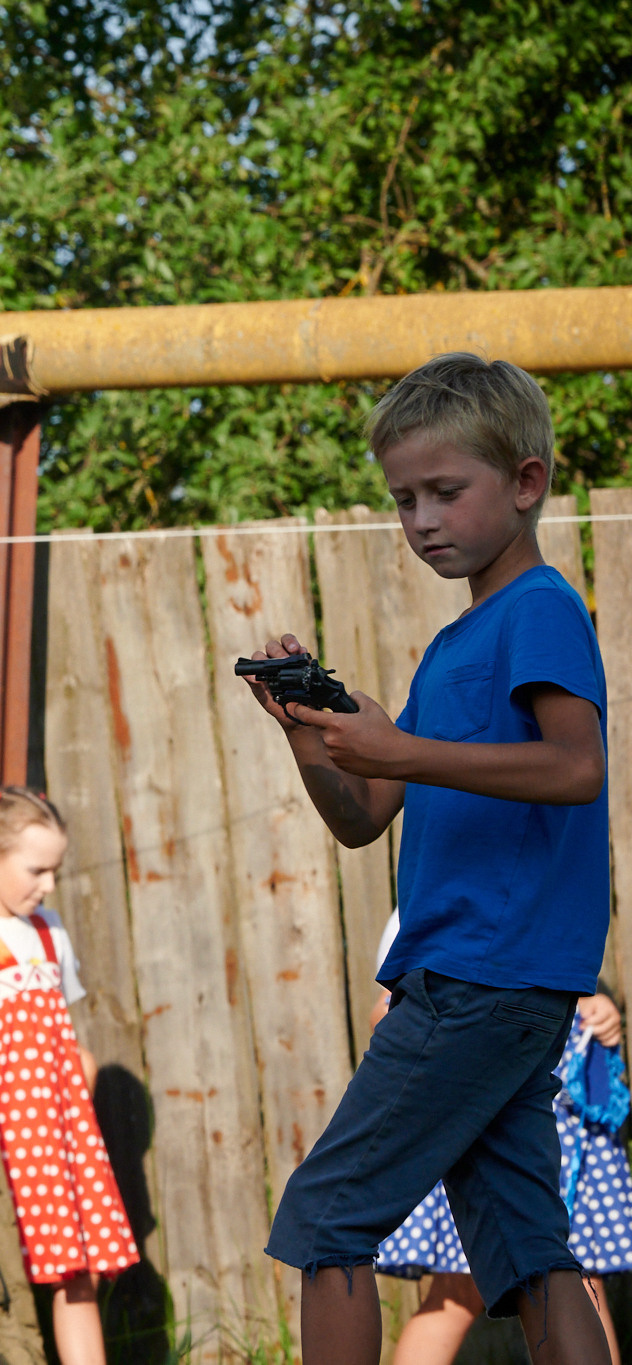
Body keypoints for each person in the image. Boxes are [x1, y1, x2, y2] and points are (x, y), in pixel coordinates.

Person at [250, 353, 613, 1365]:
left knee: (327, 1218)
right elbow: (364, 816)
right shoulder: (452, 647)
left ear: (525, 483)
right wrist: (306, 736)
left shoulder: (538, 608)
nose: (419, 520)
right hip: (487, 978)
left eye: (444, 492)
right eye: (402, 499)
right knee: (529, 1248)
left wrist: (401, 748)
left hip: (476, 976)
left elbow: (573, 766)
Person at [369, 916, 632, 1365]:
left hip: (561, 1163)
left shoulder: (541, 914)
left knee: (581, 1286)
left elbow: (574, 991)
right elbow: (389, 1008)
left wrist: (600, 1008)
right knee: (455, 1295)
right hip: (473, 1157)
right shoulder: (436, 908)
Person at [0, 787, 137, 1365]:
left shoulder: (49, 933)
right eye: (37, 870)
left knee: (73, 1268)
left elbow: (70, 1044)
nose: (49, 886)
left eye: (55, 870)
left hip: (58, 1139)